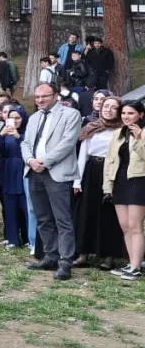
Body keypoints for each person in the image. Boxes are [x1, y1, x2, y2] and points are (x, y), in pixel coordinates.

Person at [23, 82, 83, 280]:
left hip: (56, 172)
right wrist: (30, 160)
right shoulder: (33, 118)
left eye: (45, 96)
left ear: (56, 95)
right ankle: (51, 256)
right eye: (37, 97)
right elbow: (25, 142)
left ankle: (66, 261)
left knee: (62, 220)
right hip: (34, 172)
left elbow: (68, 143)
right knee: (43, 218)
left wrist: (45, 162)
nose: (40, 100)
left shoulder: (70, 114)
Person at [74, 97, 124, 267]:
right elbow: (83, 155)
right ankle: (83, 253)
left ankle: (109, 255)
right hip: (92, 171)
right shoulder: (91, 128)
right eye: (106, 106)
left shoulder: (123, 130)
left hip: (112, 172)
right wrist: (77, 180)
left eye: (113, 107)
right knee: (86, 212)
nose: (109, 110)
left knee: (109, 214)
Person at [104, 100, 145, 281]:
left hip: (138, 180)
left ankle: (136, 266)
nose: (126, 117)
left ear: (140, 115)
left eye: (131, 113)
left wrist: (138, 139)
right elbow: (110, 159)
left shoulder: (142, 133)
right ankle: (131, 262)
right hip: (119, 180)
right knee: (125, 226)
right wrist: (107, 185)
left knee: (136, 226)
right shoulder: (118, 133)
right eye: (124, 113)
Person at [0, 105, 30, 250]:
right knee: (9, 206)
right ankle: (13, 239)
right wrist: (1, 135)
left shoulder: (27, 132)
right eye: (11, 118)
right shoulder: (5, 132)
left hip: (22, 168)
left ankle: (28, 238)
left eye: (17, 118)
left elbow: (28, 147)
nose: (14, 121)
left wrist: (17, 136)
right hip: (8, 170)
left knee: (25, 206)